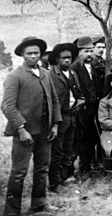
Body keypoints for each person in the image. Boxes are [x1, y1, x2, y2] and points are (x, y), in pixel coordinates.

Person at [1, 37, 62, 216]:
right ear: (22, 55)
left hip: (45, 131)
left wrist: (55, 125)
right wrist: (21, 129)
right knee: (19, 172)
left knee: (42, 168)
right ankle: (11, 211)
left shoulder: (45, 73)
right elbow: (8, 106)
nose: (34, 56)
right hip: (25, 133)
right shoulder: (15, 76)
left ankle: (39, 204)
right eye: (29, 53)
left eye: (36, 53)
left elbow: (54, 100)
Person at [47, 42, 85, 191]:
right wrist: (54, 121)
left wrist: (81, 101)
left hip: (72, 115)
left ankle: (67, 175)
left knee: (69, 149)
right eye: (63, 58)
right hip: (59, 117)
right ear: (57, 59)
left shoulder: (73, 73)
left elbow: (79, 93)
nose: (67, 61)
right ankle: (54, 182)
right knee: (57, 151)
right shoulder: (50, 75)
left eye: (69, 58)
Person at [70, 36, 103, 177]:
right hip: (82, 109)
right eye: (85, 51)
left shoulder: (95, 65)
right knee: (82, 138)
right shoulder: (74, 68)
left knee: (93, 136)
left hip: (95, 107)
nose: (89, 54)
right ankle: (83, 167)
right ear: (79, 53)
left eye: (90, 51)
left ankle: (92, 163)